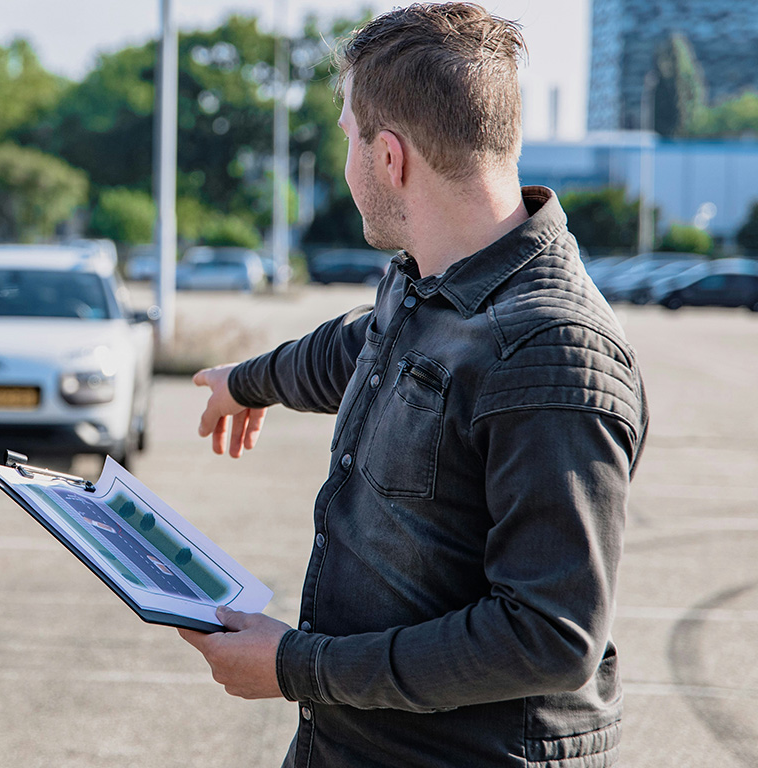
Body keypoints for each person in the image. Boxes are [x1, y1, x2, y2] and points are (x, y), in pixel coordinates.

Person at [180, 4, 647, 767]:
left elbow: (548, 635)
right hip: (356, 741)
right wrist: (247, 380)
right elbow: (360, 346)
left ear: (389, 158)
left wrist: (294, 666)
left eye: (347, 141)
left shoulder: (553, 353)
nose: (346, 164)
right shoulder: (430, 282)